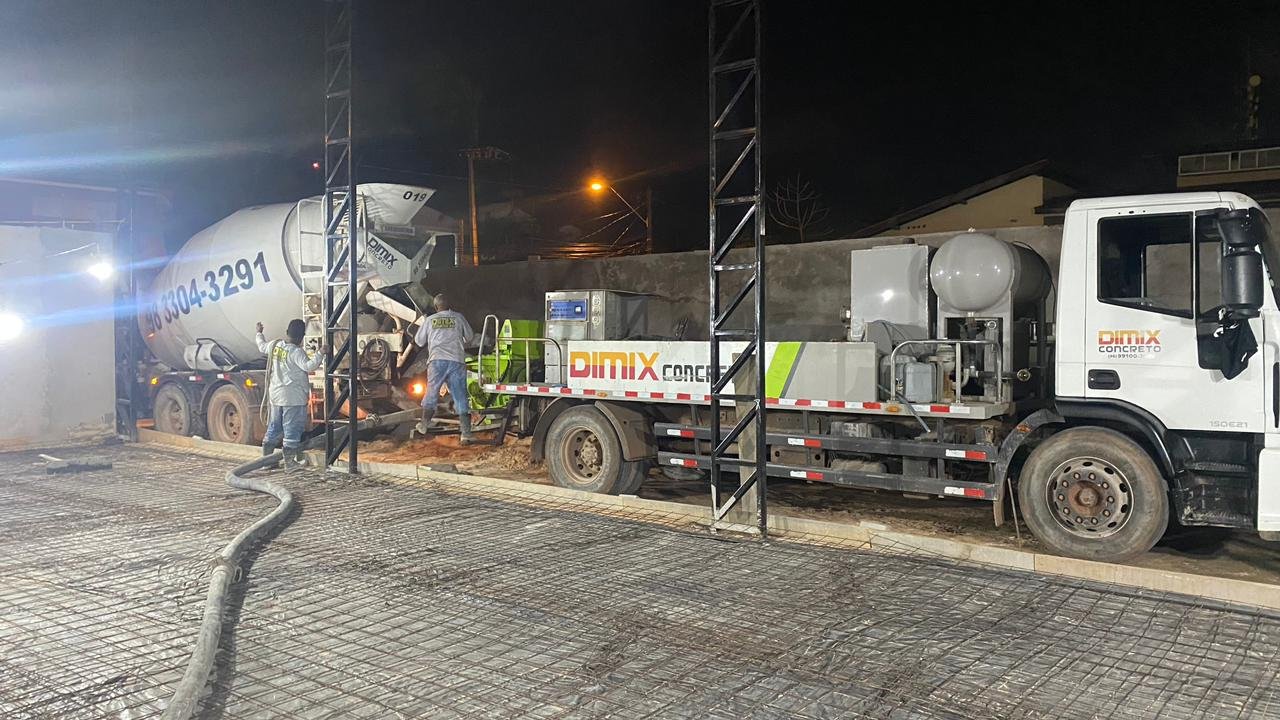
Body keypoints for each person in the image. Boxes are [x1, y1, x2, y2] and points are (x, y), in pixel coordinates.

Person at [256, 319, 323, 470]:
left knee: (274, 428)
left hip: (276, 396)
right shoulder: (296, 352)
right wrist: (321, 353)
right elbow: (309, 366)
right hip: (293, 398)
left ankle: (266, 462)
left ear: (287, 332)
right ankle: (290, 463)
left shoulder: (275, 346)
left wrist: (259, 333)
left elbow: (261, 346)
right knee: (292, 431)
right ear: (302, 336)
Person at [414, 293, 475, 443]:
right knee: (460, 396)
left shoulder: (430, 320)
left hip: (437, 361)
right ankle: (466, 433)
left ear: (435, 307)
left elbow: (419, 341)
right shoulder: (458, 317)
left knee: (432, 391)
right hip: (456, 361)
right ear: (450, 305)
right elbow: (470, 337)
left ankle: (424, 424)